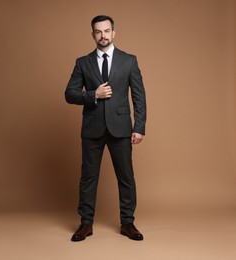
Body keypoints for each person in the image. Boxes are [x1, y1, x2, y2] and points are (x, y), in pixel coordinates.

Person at [65, 15, 146, 241]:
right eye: (98, 32)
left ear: (113, 33)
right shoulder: (82, 62)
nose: (103, 35)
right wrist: (94, 95)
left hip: (121, 128)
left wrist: (139, 126)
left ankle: (128, 223)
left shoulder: (129, 61)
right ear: (93, 35)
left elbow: (139, 97)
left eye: (107, 31)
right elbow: (69, 94)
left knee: (126, 177)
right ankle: (85, 224)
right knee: (88, 177)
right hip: (92, 128)